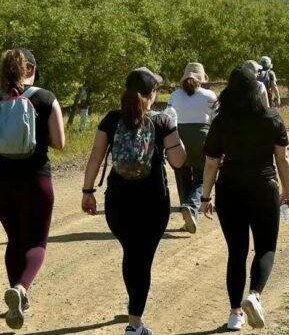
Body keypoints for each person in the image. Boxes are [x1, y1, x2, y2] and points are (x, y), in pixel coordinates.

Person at [81, 67, 187, 335]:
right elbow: (178, 161)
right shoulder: (162, 121)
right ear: (153, 93)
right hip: (153, 201)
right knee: (143, 259)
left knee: (132, 254)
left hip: (118, 201)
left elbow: (96, 156)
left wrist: (87, 191)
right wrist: (175, 132)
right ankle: (134, 323)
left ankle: (134, 315)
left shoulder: (111, 119)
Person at [201, 68, 289, 330]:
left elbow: (211, 162)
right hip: (264, 186)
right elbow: (282, 158)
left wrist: (205, 196)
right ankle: (254, 295)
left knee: (236, 252)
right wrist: (286, 190)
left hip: (229, 188)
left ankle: (234, 315)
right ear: (257, 89)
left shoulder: (222, 121)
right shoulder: (271, 118)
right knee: (266, 246)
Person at [0, 48, 65, 330]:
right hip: (36, 180)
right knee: (36, 242)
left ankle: (17, 300)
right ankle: (21, 290)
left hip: (1, 182)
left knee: (15, 240)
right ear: (31, 69)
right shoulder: (45, 98)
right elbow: (60, 142)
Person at [167, 62, 217, 234]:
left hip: (179, 138)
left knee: (182, 176)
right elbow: (216, 120)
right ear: (201, 79)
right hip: (202, 139)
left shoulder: (174, 96)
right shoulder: (209, 95)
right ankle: (191, 208)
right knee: (203, 178)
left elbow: (169, 118)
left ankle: (188, 212)